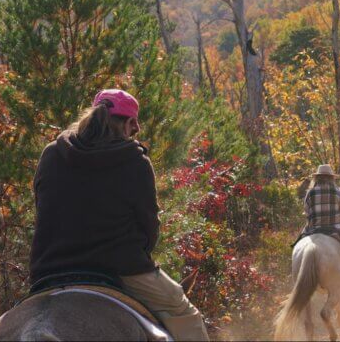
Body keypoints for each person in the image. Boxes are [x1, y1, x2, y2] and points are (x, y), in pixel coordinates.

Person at [30, 89, 210, 341]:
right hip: (122, 268)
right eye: (133, 128)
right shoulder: (134, 161)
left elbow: (42, 209)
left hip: (49, 269)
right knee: (183, 311)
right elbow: (149, 227)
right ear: (129, 123)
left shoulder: (51, 153)